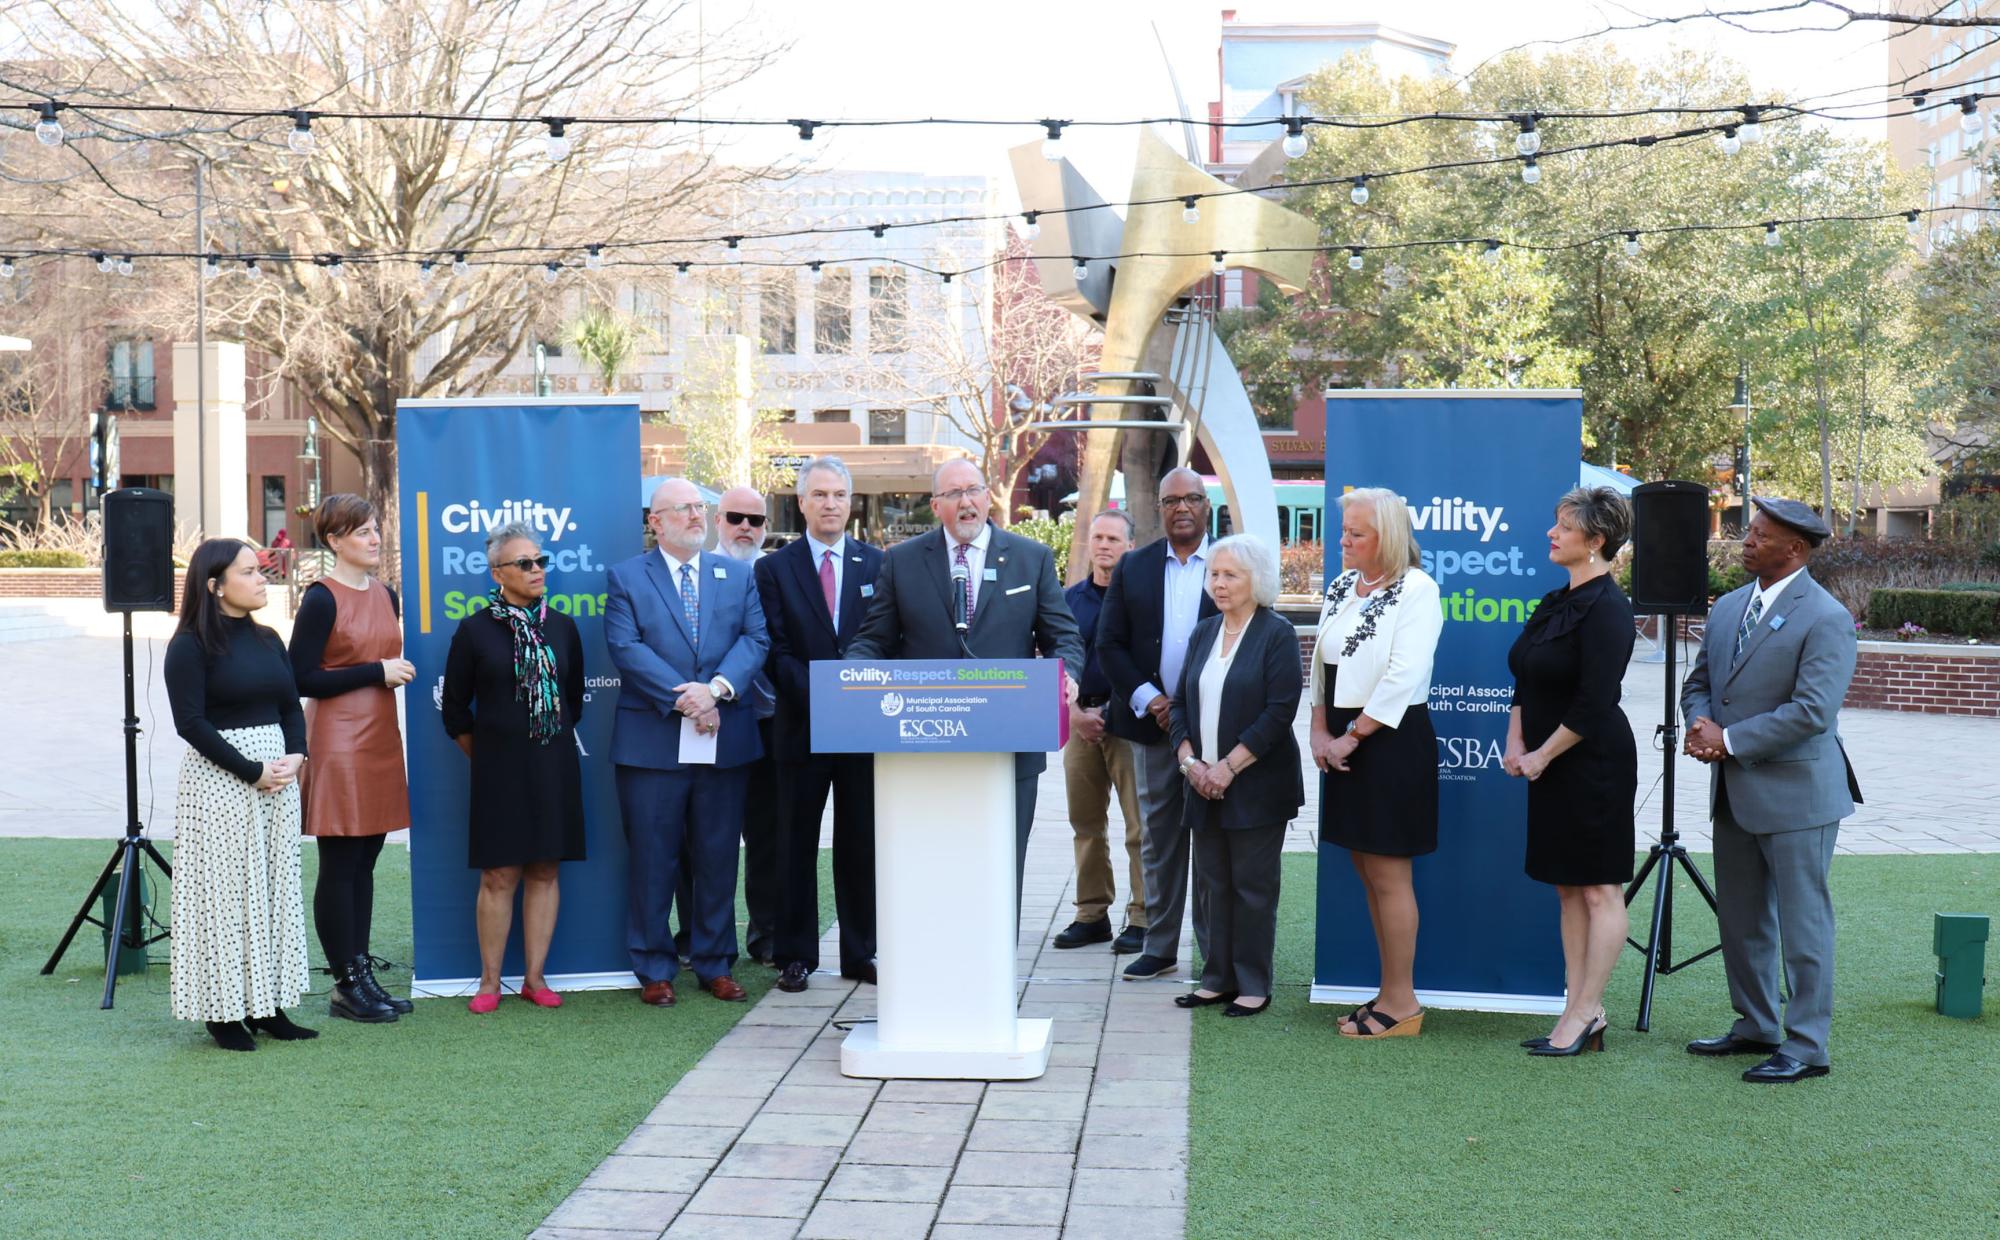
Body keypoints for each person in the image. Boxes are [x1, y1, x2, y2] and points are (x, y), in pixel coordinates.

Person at [848, 458, 1083, 915]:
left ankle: (995, 980)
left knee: (1001, 867)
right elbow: (873, 639)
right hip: (926, 749)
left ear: (988, 496)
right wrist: (852, 679)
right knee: (932, 867)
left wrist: (1066, 673)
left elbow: (1063, 637)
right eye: (953, 494)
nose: (965, 502)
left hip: (1009, 748)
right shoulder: (903, 561)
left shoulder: (1030, 558)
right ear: (936, 506)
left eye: (973, 490)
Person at [1680, 497, 1861, 1084]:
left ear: (1796, 550)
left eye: (1759, 535)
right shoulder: (1731, 606)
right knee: (1741, 917)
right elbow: (1699, 682)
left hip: (1798, 795)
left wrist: (1727, 740)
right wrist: (1699, 725)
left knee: (1803, 923)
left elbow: (1812, 712)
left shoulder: (1826, 617)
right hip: (1735, 790)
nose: (1746, 542)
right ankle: (1756, 1024)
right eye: (1748, 532)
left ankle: (1807, 1046)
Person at [606, 478, 769, 1007]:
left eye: (701, 507)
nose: (697, 516)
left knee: (718, 856)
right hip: (652, 742)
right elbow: (625, 647)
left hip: (724, 740)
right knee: (654, 859)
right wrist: (688, 700)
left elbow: (755, 639)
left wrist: (717, 691)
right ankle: (654, 967)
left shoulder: (737, 575)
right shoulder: (628, 577)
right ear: (656, 522)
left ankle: (714, 963)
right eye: (684, 509)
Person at [164, 538, 314, 1052]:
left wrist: (297, 754)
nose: (261, 579)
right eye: (249, 572)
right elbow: (191, 723)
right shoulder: (190, 645)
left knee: (274, 889)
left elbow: (292, 706)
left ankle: (268, 1005)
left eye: (260, 570)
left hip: (278, 781)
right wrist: (251, 771)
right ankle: (223, 1013)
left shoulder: (270, 639)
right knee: (225, 896)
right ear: (215, 585)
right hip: (223, 783)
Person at [1503, 486, 1637, 1057]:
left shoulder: (1610, 608)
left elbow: (1594, 702)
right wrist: (1516, 740)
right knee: (1567, 889)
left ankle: (1588, 1009)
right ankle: (1576, 1006)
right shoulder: (1555, 601)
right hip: (1549, 762)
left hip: (1593, 763)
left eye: (1563, 527)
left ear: (1596, 540)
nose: (1551, 534)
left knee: (1600, 890)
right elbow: (1525, 679)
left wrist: (1541, 754)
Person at [1308, 487, 1443, 1039]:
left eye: (1355, 533)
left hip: (1389, 743)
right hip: (1343, 740)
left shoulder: (1418, 588)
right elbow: (1321, 662)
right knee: (1366, 869)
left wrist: (1351, 737)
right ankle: (1388, 992)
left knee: (1389, 873)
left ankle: (1403, 1001)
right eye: (1344, 531)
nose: (1343, 540)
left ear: (1385, 537)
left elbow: (1404, 675)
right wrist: (1318, 728)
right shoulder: (1343, 585)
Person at [440, 523, 587, 1013]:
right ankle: (488, 982)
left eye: (541, 561)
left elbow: (573, 703)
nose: (537, 570)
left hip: (554, 766)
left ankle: (535, 978)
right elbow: (456, 712)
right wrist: (490, 757)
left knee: (545, 869)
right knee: (499, 876)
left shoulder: (563, 626)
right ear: (498, 572)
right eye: (525, 563)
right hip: (498, 772)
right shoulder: (475, 630)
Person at [755, 457, 883, 991]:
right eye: (820, 495)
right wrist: (824, 697)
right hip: (800, 726)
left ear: (850, 503)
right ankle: (795, 955)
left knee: (861, 844)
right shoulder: (774, 569)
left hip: (861, 731)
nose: (830, 504)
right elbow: (774, 649)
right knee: (794, 844)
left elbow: (887, 641)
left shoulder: (878, 564)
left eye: (839, 495)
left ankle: (861, 953)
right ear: (801, 502)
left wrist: (851, 700)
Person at [287, 494, 414, 1026]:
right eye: (361, 531)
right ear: (334, 540)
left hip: (381, 736)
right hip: (338, 741)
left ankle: (361, 974)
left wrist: (385, 672)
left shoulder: (386, 593)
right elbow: (299, 678)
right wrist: (375, 672)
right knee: (341, 865)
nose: (374, 538)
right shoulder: (321, 598)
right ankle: (345, 982)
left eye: (375, 528)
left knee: (366, 861)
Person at [1168, 536, 1303, 1018]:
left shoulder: (1277, 633)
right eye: (1215, 574)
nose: (1218, 584)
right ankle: (1216, 978)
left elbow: (1280, 710)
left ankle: (1252, 983)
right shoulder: (1205, 631)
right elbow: (1181, 701)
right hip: (1200, 780)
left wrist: (1228, 767)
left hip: (1256, 785)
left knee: (1252, 886)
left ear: (1257, 581)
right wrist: (1190, 763)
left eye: (1230, 575)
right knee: (1211, 885)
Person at [1098, 467, 1220, 982]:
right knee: (1158, 840)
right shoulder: (1135, 567)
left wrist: (1192, 704)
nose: (1182, 508)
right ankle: (1161, 944)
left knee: (1215, 844)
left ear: (1206, 506)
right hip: (1154, 728)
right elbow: (1109, 645)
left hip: (1217, 729)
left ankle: (1216, 956)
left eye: (1192, 498)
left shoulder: (1232, 562)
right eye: (1171, 501)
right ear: (1159, 510)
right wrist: (1152, 701)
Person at [1052, 508, 1149, 954]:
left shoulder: (1142, 600)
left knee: (1139, 827)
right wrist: (1073, 712)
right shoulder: (1069, 600)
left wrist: (1115, 710)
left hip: (1128, 724)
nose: (1104, 545)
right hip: (1079, 723)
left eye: (1114, 538)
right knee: (1085, 824)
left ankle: (1143, 918)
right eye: (1098, 538)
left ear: (1130, 545)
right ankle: (1091, 914)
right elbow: (1055, 659)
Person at [714, 483, 780, 966]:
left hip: (772, 724)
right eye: (735, 517)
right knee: (706, 836)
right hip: (709, 720)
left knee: (767, 835)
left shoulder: (775, 573)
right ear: (719, 520)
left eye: (755, 520)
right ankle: (704, 938)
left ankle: (766, 934)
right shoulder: (697, 571)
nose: (745, 527)